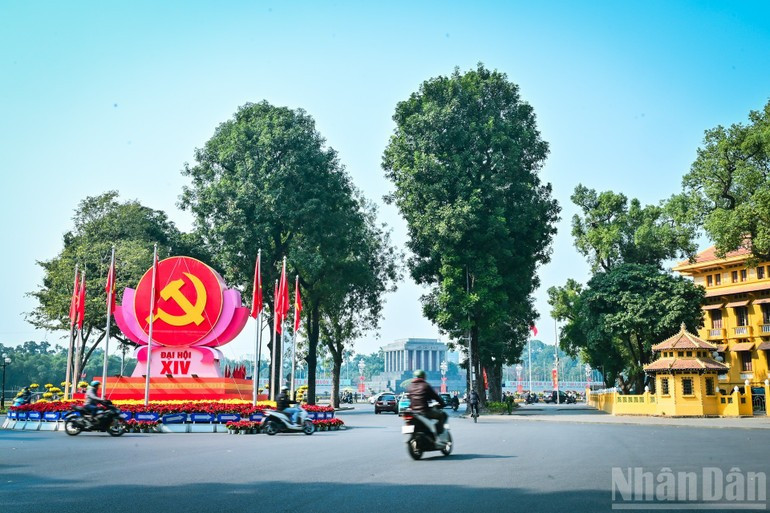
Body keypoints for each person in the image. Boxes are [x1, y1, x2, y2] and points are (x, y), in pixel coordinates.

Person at [407, 369, 447, 435]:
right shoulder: (425, 385)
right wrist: (442, 404)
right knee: (443, 415)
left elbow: (410, 398)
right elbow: (436, 397)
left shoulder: (410, 386)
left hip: (413, 412)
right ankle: (438, 432)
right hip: (424, 411)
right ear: (423, 376)